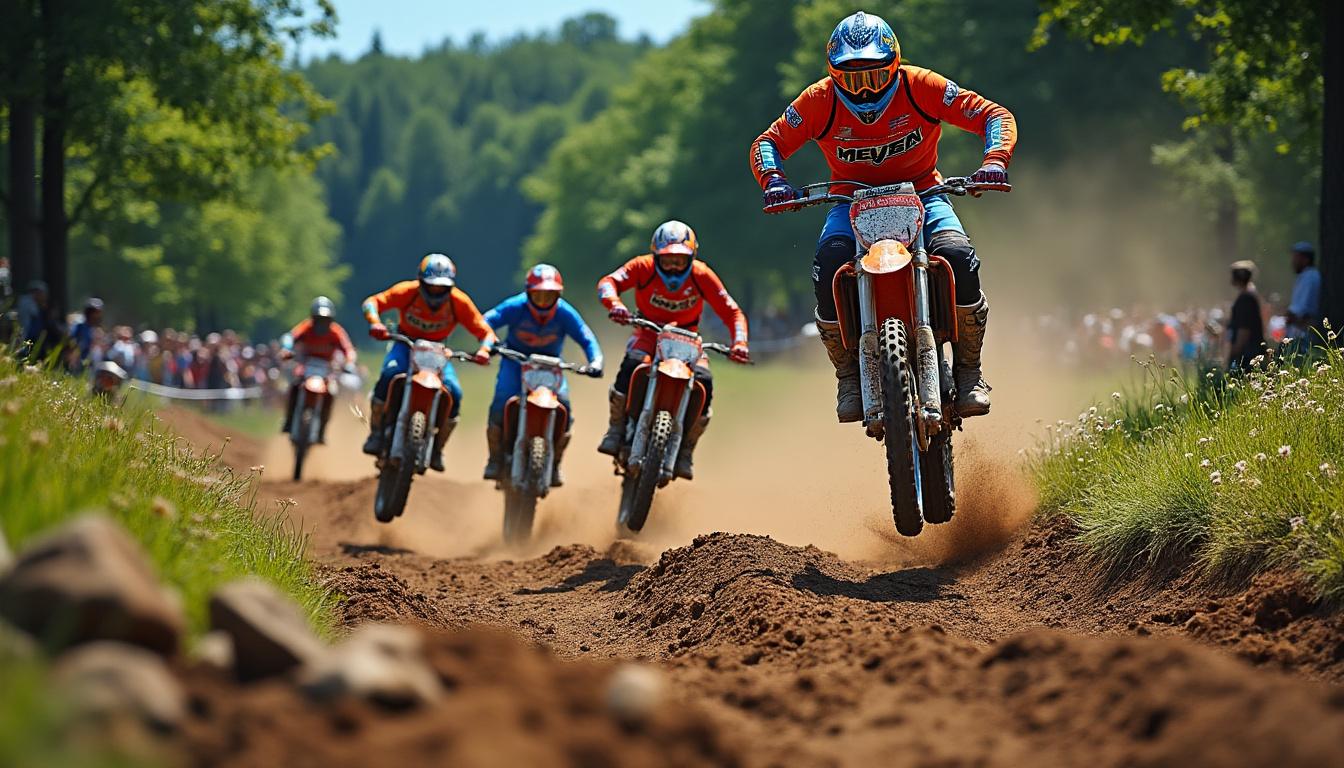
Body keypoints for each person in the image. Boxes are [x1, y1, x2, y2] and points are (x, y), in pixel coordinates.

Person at [749, 10, 1016, 422]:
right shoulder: (818, 100)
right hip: (850, 203)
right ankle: (848, 375)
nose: (865, 90)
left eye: (874, 75)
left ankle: (969, 371)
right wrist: (773, 181)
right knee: (828, 267)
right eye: (852, 79)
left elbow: (992, 114)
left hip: (925, 194)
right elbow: (769, 142)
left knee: (958, 256)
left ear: (894, 64)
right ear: (833, 74)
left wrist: (995, 160)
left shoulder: (921, 85)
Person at [596, 220, 751, 480]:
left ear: (692, 257)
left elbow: (732, 311)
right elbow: (608, 282)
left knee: (704, 382)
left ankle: (687, 447)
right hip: (648, 333)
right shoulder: (641, 267)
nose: (674, 267)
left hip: (689, 340)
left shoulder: (702, 274)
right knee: (631, 365)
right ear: (655, 255)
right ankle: (615, 428)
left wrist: (740, 342)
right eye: (668, 260)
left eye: (680, 260)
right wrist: (615, 305)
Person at [360, 253, 496, 472]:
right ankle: (376, 432)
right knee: (388, 375)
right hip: (405, 345)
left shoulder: (458, 302)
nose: (435, 292)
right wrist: (376, 323)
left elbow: (485, 331)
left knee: (454, 393)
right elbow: (372, 302)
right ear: (421, 281)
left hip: (438, 352)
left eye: (441, 287)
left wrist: (485, 350)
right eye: (431, 286)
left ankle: (437, 448)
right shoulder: (408, 292)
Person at [481, 264, 604, 485]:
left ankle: (555, 463)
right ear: (528, 293)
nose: (544, 301)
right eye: (538, 295)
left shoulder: (565, 312)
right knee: (501, 403)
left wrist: (596, 361)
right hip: (515, 363)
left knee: (564, 410)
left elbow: (586, 337)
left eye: (550, 296)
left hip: (550, 368)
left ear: (558, 295)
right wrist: (488, 343)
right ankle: (495, 458)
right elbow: (486, 321)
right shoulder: (515, 306)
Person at [279, 296, 358, 443]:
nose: (321, 324)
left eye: (325, 320)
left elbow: (348, 349)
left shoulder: (336, 332)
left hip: (327, 369)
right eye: (319, 319)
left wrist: (349, 362)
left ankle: (322, 429)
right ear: (313, 318)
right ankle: (289, 420)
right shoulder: (306, 327)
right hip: (305, 365)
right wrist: (286, 349)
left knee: (331, 393)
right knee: (294, 385)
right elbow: (290, 337)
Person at [1227, 260, 1266, 372]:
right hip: (1251, 350)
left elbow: (1244, 329)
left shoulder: (1246, 298)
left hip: (1248, 353)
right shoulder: (1250, 295)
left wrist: (1235, 351)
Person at [1284, 241, 1321, 349]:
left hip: (1303, 334)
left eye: (1296, 257)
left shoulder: (1310, 277)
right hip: (1299, 332)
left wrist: (1291, 315)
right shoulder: (1305, 276)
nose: (1293, 261)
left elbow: (1301, 308)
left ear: (1306, 259)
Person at [68, 297, 104, 374]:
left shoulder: (93, 328)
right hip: (76, 361)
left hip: (86, 362)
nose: (98, 315)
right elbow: (72, 340)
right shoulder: (79, 325)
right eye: (96, 312)